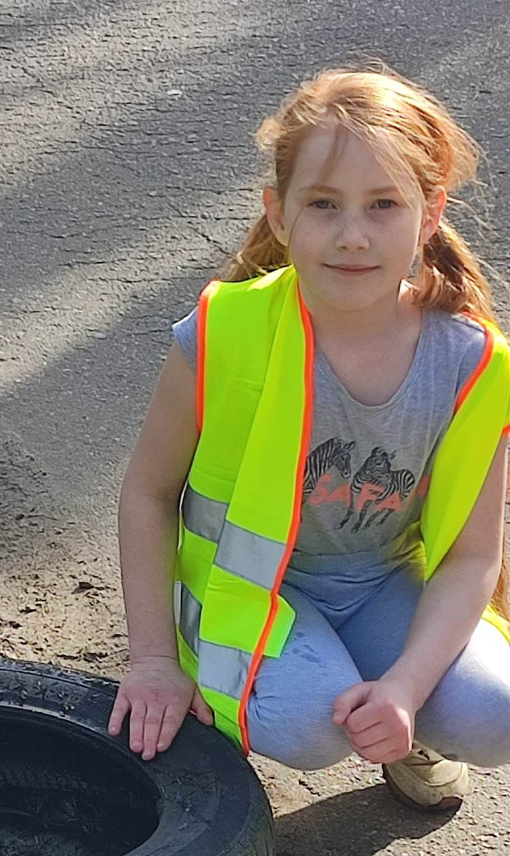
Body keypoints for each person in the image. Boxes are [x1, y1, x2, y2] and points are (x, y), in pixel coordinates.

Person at [108, 63, 510, 811]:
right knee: (310, 723)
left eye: (383, 205)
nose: (353, 235)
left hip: (383, 585)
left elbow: (473, 557)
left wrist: (405, 688)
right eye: (324, 204)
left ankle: (397, 720)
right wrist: (155, 659)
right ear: (280, 213)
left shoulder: (473, 363)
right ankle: (225, 690)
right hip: (245, 590)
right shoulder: (225, 331)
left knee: (496, 713)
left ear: (429, 215)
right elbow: (147, 492)